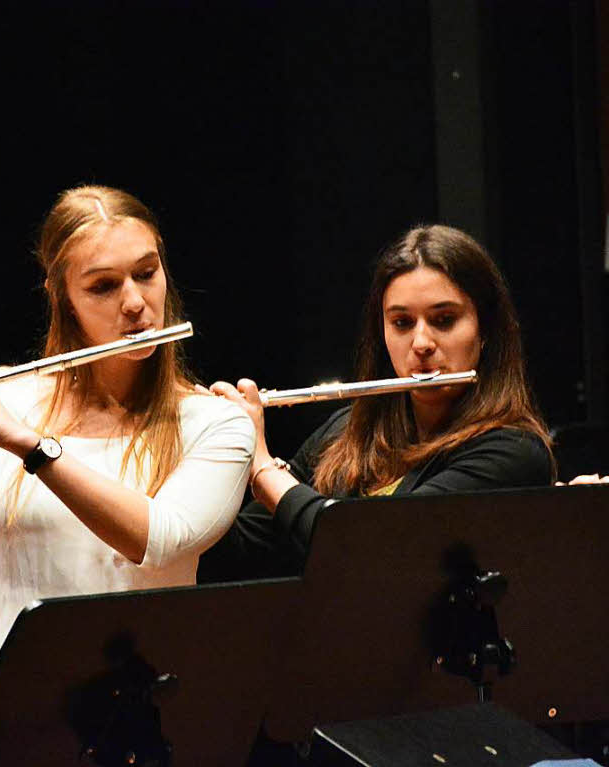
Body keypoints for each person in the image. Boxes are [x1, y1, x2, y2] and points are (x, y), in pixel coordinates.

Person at [0, 185, 255, 709]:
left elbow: (160, 537)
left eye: (146, 272)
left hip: (148, 714)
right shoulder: (4, 406)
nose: (137, 303)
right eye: (103, 286)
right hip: (8, 714)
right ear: (61, 297)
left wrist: (28, 446)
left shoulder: (216, 422)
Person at [202, 224, 554, 580]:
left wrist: (262, 470)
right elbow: (241, 553)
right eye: (402, 322)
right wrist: (199, 453)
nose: (420, 343)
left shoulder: (513, 452)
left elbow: (373, 548)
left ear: (486, 330)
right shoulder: (345, 431)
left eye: (443, 320)